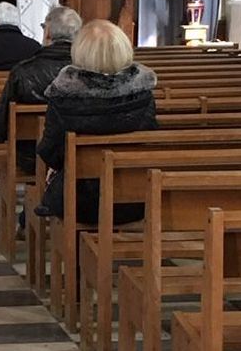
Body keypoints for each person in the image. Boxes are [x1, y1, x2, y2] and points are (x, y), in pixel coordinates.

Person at [35, 18, 157, 223]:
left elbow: (51, 151)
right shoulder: (143, 95)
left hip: (80, 201)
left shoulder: (64, 97)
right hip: (136, 200)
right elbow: (149, 141)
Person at [0, 4, 83, 169]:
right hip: (83, 156)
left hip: (34, 157)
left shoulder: (24, 72)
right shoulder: (90, 70)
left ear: (48, 33)